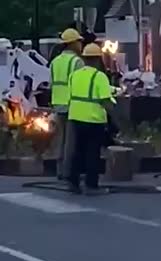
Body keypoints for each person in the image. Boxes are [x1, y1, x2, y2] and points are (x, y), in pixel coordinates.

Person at [66, 43, 115, 195]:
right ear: (97, 59)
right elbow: (106, 101)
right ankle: (91, 185)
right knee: (92, 153)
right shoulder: (100, 77)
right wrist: (116, 118)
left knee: (78, 150)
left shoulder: (74, 75)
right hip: (94, 119)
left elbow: (71, 96)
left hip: (75, 117)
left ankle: (73, 182)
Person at [50, 28, 84, 179]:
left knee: (60, 140)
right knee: (71, 142)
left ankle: (59, 170)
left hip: (58, 105)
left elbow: (51, 84)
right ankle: (68, 172)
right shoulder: (77, 62)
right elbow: (81, 85)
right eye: (79, 41)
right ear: (72, 44)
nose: (81, 44)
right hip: (72, 106)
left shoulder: (55, 62)